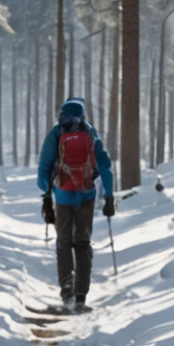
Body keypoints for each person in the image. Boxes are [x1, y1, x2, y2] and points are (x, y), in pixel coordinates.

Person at [36, 97, 114, 312]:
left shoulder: (55, 134)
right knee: (82, 242)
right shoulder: (90, 133)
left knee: (63, 243)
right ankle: (81, 295)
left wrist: (46, 194)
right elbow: (105, 167)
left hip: (63, 197)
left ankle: (67, 291)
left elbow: (44, 169)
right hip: (87, 197)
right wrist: (109, 196)